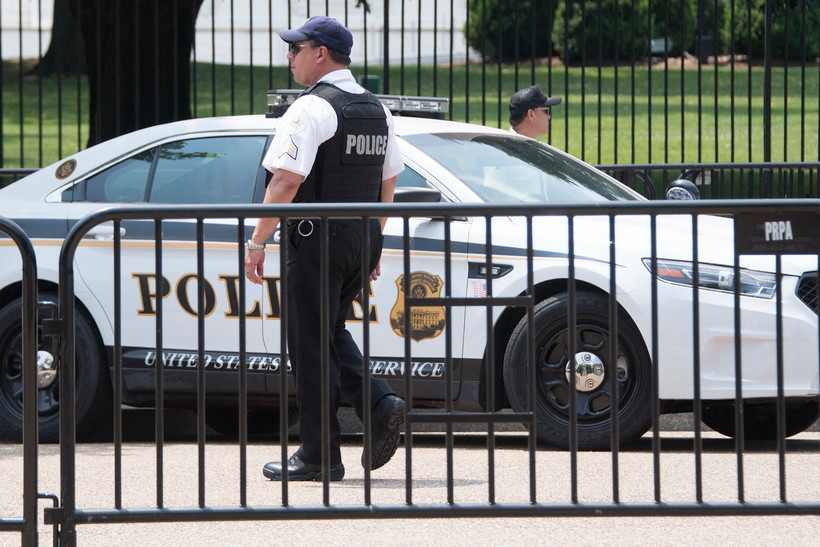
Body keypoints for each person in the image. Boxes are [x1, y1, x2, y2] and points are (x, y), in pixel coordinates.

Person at [245, 15, 406, 482]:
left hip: (316, 238)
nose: (289, 56)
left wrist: (257, 242)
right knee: (329, 330)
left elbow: (285, 181)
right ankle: (378, 402)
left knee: (310, 343)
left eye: (297, 48)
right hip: (360, 237)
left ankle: (319, 455)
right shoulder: (377, 109)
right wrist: (374, 241)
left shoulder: (311, 108)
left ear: (320, 54)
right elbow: (387, 181)